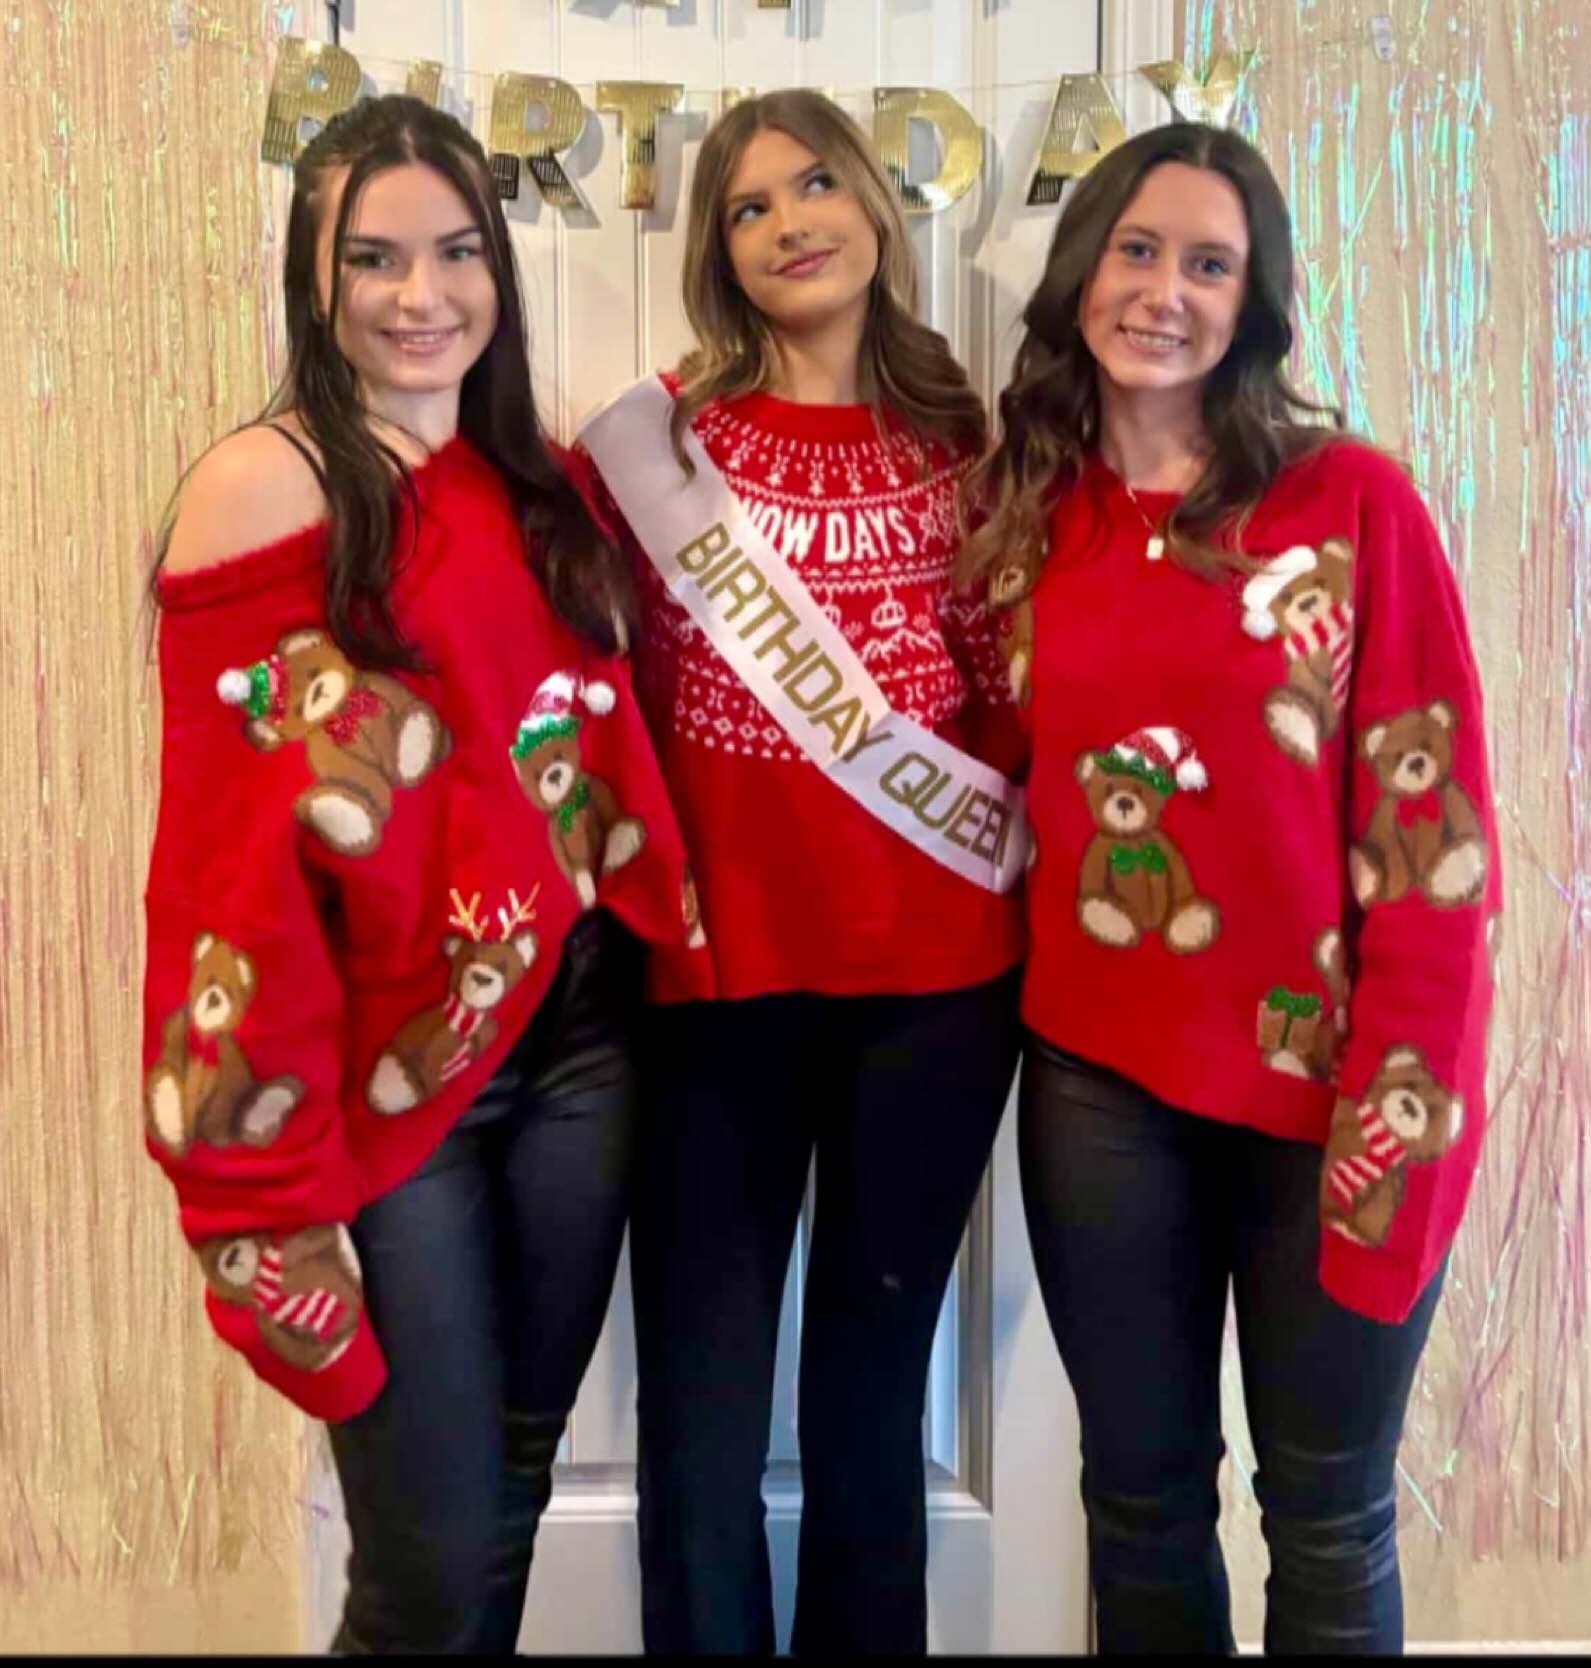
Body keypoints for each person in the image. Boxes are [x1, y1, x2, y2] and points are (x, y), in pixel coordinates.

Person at [140, 94, 706, 1654]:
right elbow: (225, 881)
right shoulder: (266, 485)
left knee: (506, 1498)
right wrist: (256, 1183)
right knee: (426, 1571)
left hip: (577, 1043)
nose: (422, 294)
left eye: (458, 252)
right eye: (374, 258)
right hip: (391, 1087)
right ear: (312, 280)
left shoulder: (530, 481)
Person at [960, 120, 1503, 1656]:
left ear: (1251, 303)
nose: (1165, 292)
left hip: (1332, 1098)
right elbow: (986, 794)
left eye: (1210, 264)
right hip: (1100, 1089)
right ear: (1083, 269)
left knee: (1327, 1518)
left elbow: (1433, 847)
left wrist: (1400, 1117)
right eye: (1138, 250)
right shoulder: (1024, 518)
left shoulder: (1352, 505)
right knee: (1139, 1508)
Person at [571, 89, 1025, 1655]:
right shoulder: (658, 454)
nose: (789, 224)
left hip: (940, 991)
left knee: (870, 1394)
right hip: (716, 986)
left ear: (878, 211)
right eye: (748, 206)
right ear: (719, 252)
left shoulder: (975, 449)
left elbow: (1016, 707)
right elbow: (587, 697)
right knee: (703, 1407)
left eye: (816, 183)